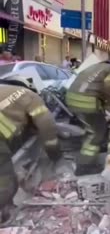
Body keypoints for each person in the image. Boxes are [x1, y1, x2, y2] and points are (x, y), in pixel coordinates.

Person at [0, 75, 61, 223]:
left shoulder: (6, 93)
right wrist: (55, 155)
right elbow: (47, 126)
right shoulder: (30, 96)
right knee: (5, 180)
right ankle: (4, 214)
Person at [66, 52, 110, 175]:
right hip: (86, 102)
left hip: (72, 98)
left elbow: (96, 87)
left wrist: (103, 105)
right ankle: (84, 166)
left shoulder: (99, 66)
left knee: (91, 129)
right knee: (97, 132)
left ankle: (87, 158)